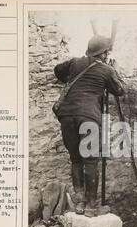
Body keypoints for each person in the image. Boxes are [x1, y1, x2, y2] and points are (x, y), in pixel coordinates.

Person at [53, 35, 125, 217]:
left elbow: (58, 71)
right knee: (90, 160)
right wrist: (114, 70)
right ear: (104, 53)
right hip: (88, 117)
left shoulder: (74, 62)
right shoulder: (106, 69)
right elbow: (120, 91)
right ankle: (92, 207)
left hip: (66, 116)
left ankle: (80, 203)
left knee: (76, 158)